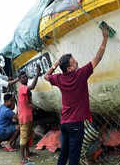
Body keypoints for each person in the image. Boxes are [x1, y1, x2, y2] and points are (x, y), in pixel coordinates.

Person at [44, 27, 109, 165]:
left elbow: (46, 76)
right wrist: (105, 39)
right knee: (74, 158)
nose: (77, 62)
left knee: (64, 154)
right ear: (69, 68)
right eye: (74, 62)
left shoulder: (59, 78)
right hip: (75, 125)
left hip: (65, 123)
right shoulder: (80, 75)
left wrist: (55, 64)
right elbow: (97, 58)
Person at [18, 66, 41, 165]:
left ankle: (28, 153)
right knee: (23, 137)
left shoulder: (25, 90)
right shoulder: (22, 88)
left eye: (26, 77)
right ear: (19, 80)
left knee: (28, 136)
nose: (25, 78)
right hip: (24, 118)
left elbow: (27, 102)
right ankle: (23, 158)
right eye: (23, 77)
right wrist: (37, 74)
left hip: (28, 116)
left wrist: (32, 106)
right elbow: (32, 87)